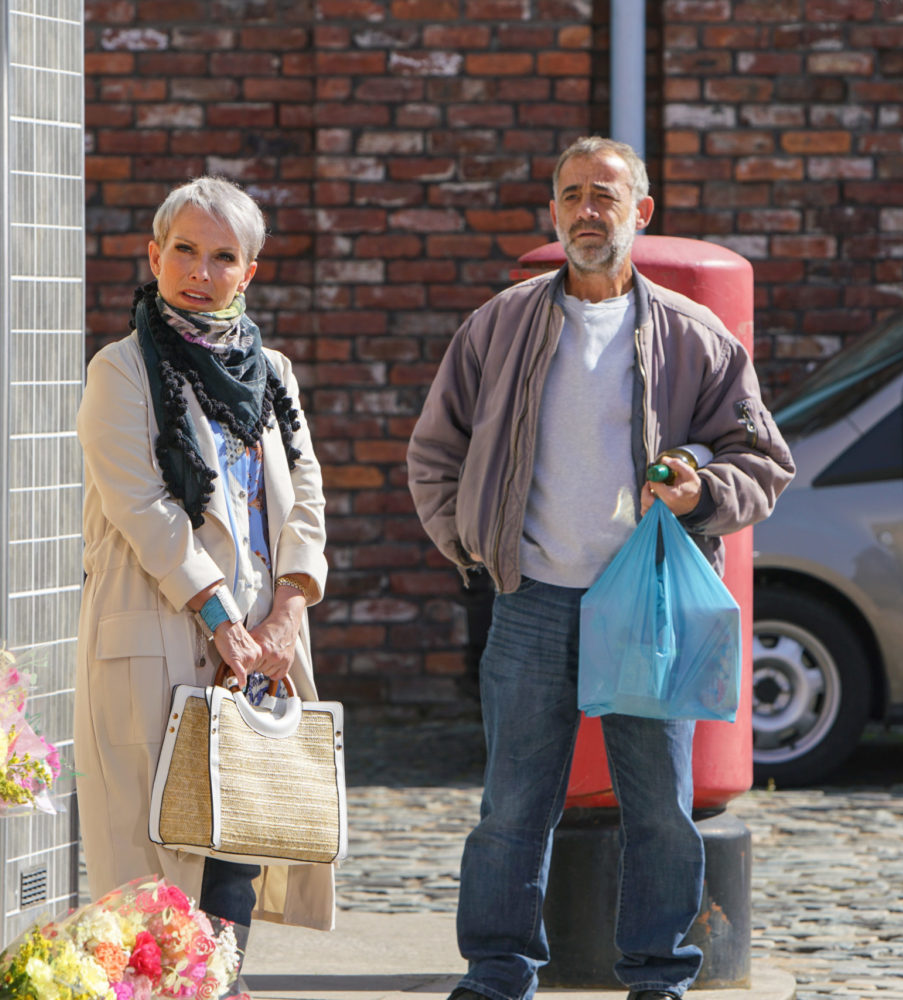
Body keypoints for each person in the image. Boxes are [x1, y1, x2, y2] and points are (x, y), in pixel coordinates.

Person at [407, 136, 796, 1000]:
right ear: (553, 210)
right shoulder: (498, 325)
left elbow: (764, 460)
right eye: (572, 194)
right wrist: (470, 542)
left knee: (659, 811)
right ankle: (499, 974)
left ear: (640, 213)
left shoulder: (694, 334)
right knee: (513, 809)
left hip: (645, 604)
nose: (588, 210)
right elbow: (435, 448)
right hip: (533, 598)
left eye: (606, 196)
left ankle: (659, 978)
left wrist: (701, 492)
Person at [74, 176, 336, 975]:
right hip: (160, 640)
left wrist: (287, 612)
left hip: (260, 648)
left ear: (248, 273)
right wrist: (222, 618)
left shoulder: (275, 376)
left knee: (235, 857)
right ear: (154, 257)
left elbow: (307, 499)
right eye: (183, 250)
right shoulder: (120, 371)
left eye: (223, 256)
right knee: (154, 876)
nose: (200, 269)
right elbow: (145, 508)